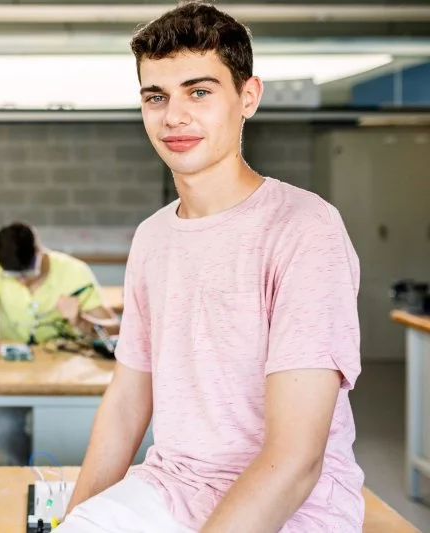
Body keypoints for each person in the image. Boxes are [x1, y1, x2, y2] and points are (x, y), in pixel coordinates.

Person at [58, 3, 365, 532]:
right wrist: (76, 520)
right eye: (156, 97)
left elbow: (295, 460)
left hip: (298, 508)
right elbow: (129, 398)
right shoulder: (153, 237)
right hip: (173, 486)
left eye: (199, 91)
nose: (174, 115)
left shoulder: (304, 227)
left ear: (248, 97)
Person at [0, 222, 119, 466]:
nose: (22, 280)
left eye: (27, 272)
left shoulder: (74, 272)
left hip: (65, 374)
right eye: (14, 276)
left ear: (39, 251)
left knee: (67, 435)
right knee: (3, 429)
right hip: (13, 373)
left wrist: (81, 321)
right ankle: (30, 469)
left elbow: (114, 327)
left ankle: (54, 472)